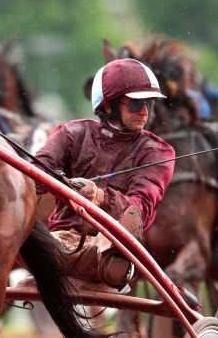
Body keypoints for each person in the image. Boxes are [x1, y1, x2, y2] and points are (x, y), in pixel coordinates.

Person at [34, 58, 175, 290]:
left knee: (111, 249)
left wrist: (99, 196)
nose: (144, 112)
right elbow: (35, 173)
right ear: (109, 106)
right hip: (61, 240)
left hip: (113, 248)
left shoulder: (158, 152)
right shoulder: (72, 133)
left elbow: (140, 210)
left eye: (148, 104)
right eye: (135, 104)